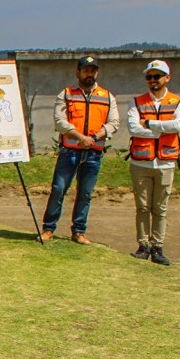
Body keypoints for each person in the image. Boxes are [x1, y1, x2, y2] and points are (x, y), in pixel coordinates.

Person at [39, 56, 120, 245]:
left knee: (85, 194)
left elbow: (114, 123)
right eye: (86, 70)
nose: (89, 74)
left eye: (93, 71)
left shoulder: (107, 96)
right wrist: (80, 137)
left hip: (93, 153)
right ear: (78, 72)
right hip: (70, 152)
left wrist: (93, 138)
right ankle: (48, 229)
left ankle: (78, 231)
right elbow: (60, 121)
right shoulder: (66, 94)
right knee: (58, 190)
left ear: (97, 73)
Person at [126, 60, 180, 266]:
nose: (152, 80)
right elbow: (133, 128)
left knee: (160, 208)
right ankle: (143, 245)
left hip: (165, 163)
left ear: (167, 78)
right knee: (142, 207)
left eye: (157, 76)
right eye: (149, 77)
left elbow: (177, 125)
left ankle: (158, 247)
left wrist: (150, 123)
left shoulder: (178, 101)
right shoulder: (136, 101)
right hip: (141, 163)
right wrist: (161, 131)